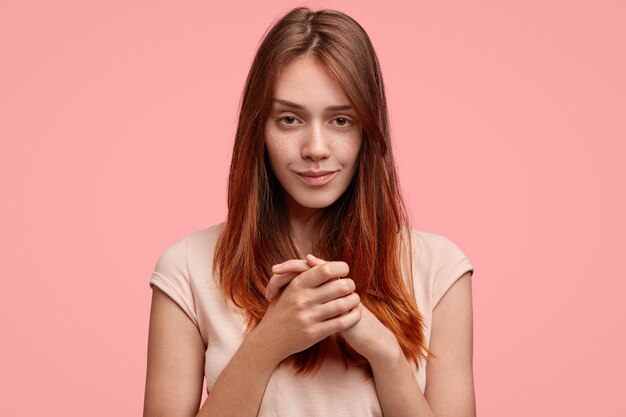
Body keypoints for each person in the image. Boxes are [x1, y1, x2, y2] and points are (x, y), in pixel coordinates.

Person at [143, 6, 475, 417]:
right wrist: (270, 342)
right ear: (258, 129)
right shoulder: (186, 269)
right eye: (289, 119)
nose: (315, 148)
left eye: (340, 120)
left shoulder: (440, 270)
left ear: (368, 131)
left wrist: (385, 354)